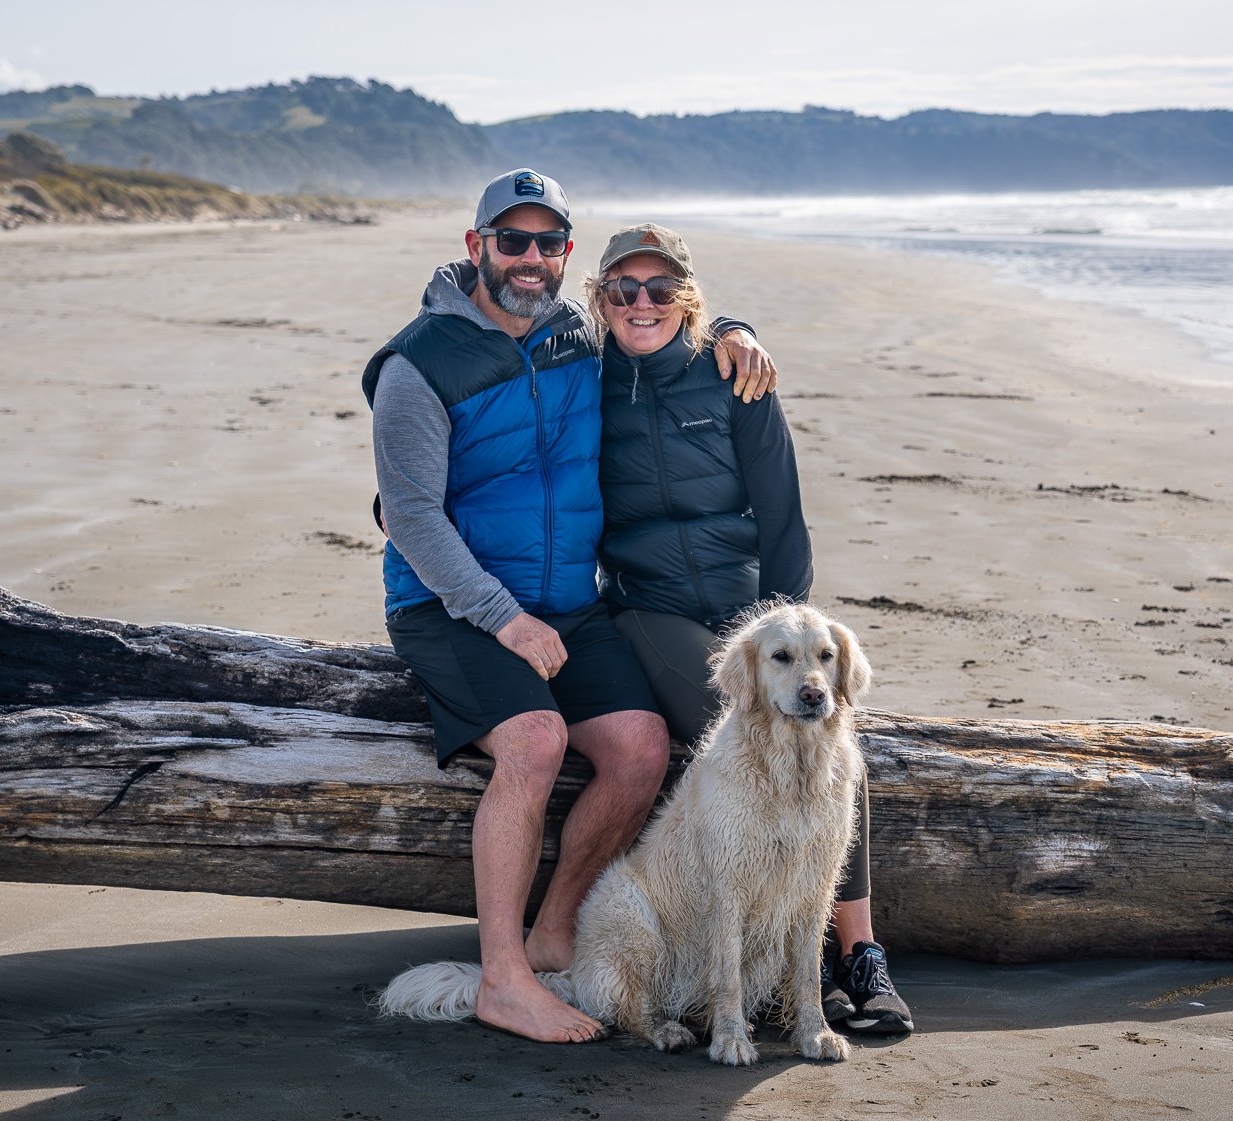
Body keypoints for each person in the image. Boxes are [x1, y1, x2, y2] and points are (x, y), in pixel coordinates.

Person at [362, 170, 774, 1044]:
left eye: (549, 243)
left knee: (640, 748)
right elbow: (409, 517)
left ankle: (557, 931)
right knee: (537, 743)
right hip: (452, 607)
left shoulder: (577, 337)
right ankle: (504, 978)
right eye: (513, 241)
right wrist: (501, 616)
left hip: (566, 608)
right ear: (476, 248)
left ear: (566, 257)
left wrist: (735, 328)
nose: (531, 258)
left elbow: (658, 314)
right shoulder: (417, 365)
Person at [588, 223, 915, 1036]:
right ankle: (764, 950)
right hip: (649, 606)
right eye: (623, 290)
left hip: (746, 602)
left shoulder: (733, 375)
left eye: (661, 291)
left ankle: (856, 954)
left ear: (687, 301)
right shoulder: (579, 381)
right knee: (735, 734)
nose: (641, 305)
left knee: (828, 738)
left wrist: (783, 633)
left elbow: (783, 516)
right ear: (599, 300)